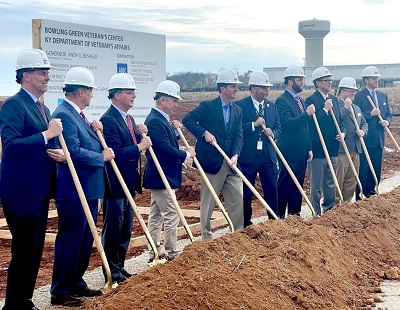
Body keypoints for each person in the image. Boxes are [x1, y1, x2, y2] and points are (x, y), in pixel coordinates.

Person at [0, 49, 64, 310]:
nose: (47, 77)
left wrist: (54, 149)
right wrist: (46, 134)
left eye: (47, 72)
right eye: (42, 72)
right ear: (26, 76)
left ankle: (23, 301)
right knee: (25, 250)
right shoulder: (14, 105)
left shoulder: (42, 107)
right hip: (21, 192)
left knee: (34, 249)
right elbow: (11, 145)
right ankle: (14, 304)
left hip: (38, 190)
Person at [50, 67, 115, 307]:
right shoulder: (65, 114)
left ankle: (76, 282)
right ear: (79, 91)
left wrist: (97, 132)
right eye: (89, 91)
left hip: (88, 189)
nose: (91, 95)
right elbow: (73, 151)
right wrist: (102, 156)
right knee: (71, 239)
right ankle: (60, 290)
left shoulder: (77, 113)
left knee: (85, 239)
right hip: (74, 190)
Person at [100, 73, 152, 284]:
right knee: (113, 229)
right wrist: (140, 146)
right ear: (117, 94)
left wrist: (141, 134)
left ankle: (120, 267)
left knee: (125, 229)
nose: (134, 96)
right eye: (130, 92)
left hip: (129, 183)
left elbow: (129, 143)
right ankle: (110, 271)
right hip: (115, 184)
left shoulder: (128, 119)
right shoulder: (108, 120)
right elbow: (117, 152)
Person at [182, 69, 244, 239]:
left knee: (237, 197)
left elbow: (239, 135)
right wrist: (204, 133)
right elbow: (187, 120)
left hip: (231, 161)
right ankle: (206, 237)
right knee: (208, 201)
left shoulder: (237, 110)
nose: (236, 89)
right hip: (211, 160)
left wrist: (236, 155)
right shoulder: (208, 107)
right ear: (222, 88)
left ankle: (237, 234)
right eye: (233, 86)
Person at [144, 80, 195, 263]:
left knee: (156, 216)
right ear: (163, 100)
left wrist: (175, 131)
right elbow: (164, 149)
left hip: (163, 175)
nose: (176, 104)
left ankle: (154, 252)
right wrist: (185, 154)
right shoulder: (155, 121)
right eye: (174, 100)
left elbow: (167, 141)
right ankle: (172, 253)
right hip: (161, 176)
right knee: (171, 214)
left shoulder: (160, 120)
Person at [235, 71, 281, 225]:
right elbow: (236, 129)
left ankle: (274, 220)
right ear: (253, 88)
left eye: (268, 88)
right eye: (263, 87)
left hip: (268, 155)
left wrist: (272, 133)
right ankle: (245, 223)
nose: (267, 90)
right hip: (249, 156)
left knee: (272, 189)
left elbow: (278, 128)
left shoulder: (272, 106)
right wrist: (253, 126)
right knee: (246, 191)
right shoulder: (241, 106)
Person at [305, 66, 345, 216]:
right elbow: (311, 123)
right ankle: (316, 212)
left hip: (333, 148)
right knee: (316, 184)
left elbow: (340, 121)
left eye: (330, 80)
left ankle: (328, 209)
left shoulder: (334, 99)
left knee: (330, 182)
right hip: (318, 149)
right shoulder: (311, 100)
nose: (329, 83)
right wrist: (325, 110)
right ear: (317, 83)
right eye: (326, 80)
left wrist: (342, 133)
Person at [275, 65, 314, 218]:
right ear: (290, 82)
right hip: (288, 150)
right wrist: (306, 114)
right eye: (299, 80)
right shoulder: (282, 101)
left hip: (301, 150)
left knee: (298, 184)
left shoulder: (300, 100)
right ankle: (278, 216)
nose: (302, 82)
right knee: (285, 183)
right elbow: (287, 123)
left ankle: (294, 214)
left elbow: (305, 127)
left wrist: (308, 147)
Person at [353, 66, 392, 199]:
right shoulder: (359, 97)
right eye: (373, 78)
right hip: (366, 139)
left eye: (377, 78)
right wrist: (370, 114)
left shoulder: (382, 96)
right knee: (363, 168)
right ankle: (360, 194)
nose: (376, 80)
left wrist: (387, 121)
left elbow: (388, 115)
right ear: (366, 80)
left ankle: (372, 192)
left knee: (376, 167)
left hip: (379, 139)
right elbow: (355, 115)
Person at [335, 77, 368, 202]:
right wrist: (345, 108)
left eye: (354, 91)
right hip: (342, 150)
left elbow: (364, 123)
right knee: (339, 178)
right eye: (350, 91)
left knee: (351, 180)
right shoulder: (337, 105)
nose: (353, 93)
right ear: (343, 92)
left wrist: (363, 131)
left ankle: (347, 204)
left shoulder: (357, 108)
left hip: (355, 149)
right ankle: (336, 205)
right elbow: (337, 119)